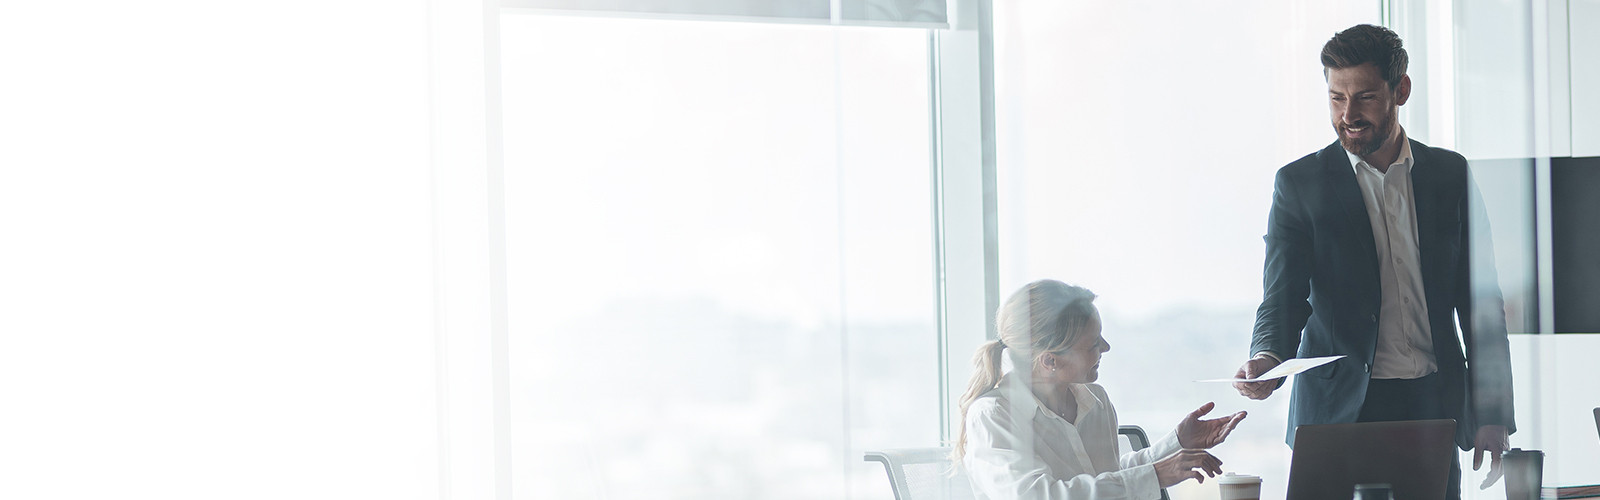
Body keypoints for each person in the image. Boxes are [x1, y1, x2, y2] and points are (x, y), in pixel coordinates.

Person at [1232, 24, 1515, 499]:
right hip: (1336, 411)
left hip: (1432, 406)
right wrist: (1268, 356)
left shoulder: (1449, 174)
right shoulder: (1300, 184)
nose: (1348, 115)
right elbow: (1283, 295)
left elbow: (1481, 303)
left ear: (1400, 89)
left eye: (1363, 97)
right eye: (1336, 98)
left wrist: (1491, 413)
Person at [956, 279, 1246, 500]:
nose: (1105, 348)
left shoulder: (1095, 401)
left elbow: (1106, 478)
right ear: (1050, 360)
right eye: (1093, 344)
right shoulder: (993, 415)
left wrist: (1177, 443)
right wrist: (1155, 475)